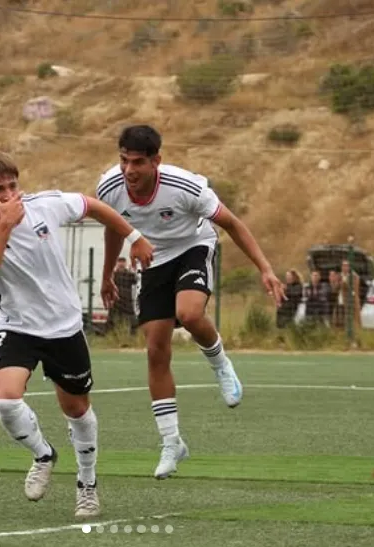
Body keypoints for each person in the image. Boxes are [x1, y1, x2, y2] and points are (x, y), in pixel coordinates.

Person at [0, 151, 153, 518]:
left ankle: (87, 484)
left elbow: (94, 206)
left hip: (63, 326)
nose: (8, 195)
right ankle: (43, 454)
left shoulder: (45, 205)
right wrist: (5, 227)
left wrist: (135, 236)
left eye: (12, 186)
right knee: (6, 401)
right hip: (16, 325)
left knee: (76, 409)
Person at [96, 125, 285, 479]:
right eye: (123, 161)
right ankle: (172, 443)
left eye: (137, 162)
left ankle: (220, 364)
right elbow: (113, 229)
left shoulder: (184, 187)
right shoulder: (109, 187)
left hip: (193, 247)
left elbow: (233, 224)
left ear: (156, 161)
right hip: (154, 258)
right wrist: (106, 276)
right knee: (155, 349)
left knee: (189, 313)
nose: (129, 170)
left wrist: (265, 269)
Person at [106, 257, 138, 335]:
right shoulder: (113, 274)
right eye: (120, 263)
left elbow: (136, 280)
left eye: (123, 263)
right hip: (115, 300)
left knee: (132, 320)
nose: (121, 264)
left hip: (127, 300)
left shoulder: (129, 274)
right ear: (117, 264)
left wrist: (133, 270)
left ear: (125, 264)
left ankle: (133, 335)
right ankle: (110, 334)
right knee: (112, 320)